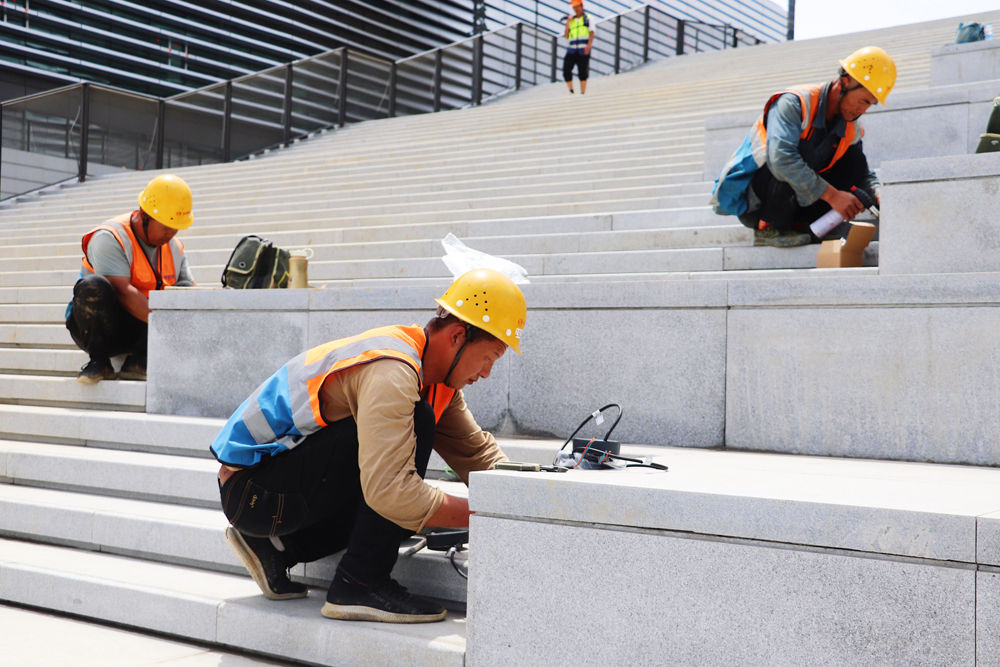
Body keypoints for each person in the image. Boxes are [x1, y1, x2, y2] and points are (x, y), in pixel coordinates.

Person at [211, 268, 526, 624]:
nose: (486, 372)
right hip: (254, 493)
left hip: (273, 492)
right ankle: (359, 583)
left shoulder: (434, 378)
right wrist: (482, 513)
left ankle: (277, 548)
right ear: (458, 336)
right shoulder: (393, 371)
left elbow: (476, 454)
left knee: (409, 493)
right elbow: (390, 493)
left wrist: (524, 499)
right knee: (411, 450)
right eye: (490, 357)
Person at [710, 47, 896, 247]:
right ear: (845, 81)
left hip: (799, 201)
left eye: (870, 104)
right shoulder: (794, 103)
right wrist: (833, 196)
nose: (863, 110)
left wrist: (879, 194)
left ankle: (803, 226)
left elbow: (862, 174)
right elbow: (780, 158)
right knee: (790, 158)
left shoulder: (851, 127)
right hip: (760, 200)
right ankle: (768, 228)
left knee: (852, 168)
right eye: (863, 101)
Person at [66, 174, 195, 383]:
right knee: (93, 286)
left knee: (185, 290)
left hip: (142, 326)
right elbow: (123, 293)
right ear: (144, 216)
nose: (170, 233)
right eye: (165, 226)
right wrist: (167, 324)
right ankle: (99, 361)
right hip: (100, 326)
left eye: (175, 227)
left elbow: (191, 290)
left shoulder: (174, 247)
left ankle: (139, 361)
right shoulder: (110, 238)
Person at [563, 0, 595, 95]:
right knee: (566, 69)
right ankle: (571, 90)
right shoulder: (571, 20)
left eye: (577, 7)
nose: (576, 9)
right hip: (572, 49)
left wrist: (588, 46)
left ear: (581, 6)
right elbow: (566, 35)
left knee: (582, 71)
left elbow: (591, 33)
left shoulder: (588, 18)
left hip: (583, 49)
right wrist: (568, 22)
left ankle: (582, 92)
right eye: (574, 8)